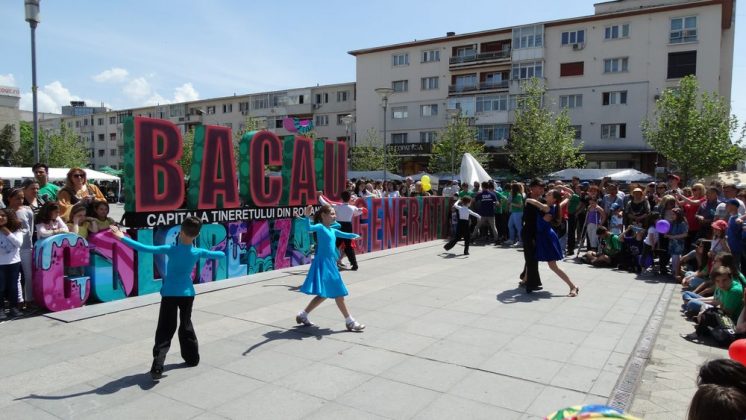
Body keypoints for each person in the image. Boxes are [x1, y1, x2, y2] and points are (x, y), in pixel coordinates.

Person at [111, 217, 226, 380]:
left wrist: (121, 237)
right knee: (186, 324)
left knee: (165, 327)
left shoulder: (171, 249)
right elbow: (221, 254)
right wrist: (203, 250)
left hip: (170, 293)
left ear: (181, 232)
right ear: (198, 234)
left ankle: (158, 365)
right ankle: (192, 358)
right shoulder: (197, 252)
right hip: (187, 294)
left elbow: (145, 248)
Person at [294, 204, 365, 331]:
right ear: (323, 215)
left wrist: (355, 236)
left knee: (324, 294)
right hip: (323, 264)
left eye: (334, 213)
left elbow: (345, 234)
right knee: (338, 292)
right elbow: (308, 228)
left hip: (331, 264)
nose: (334, 216)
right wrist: (306, 216)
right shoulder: (320, 227)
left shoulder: (332, 230)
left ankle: (303, 314)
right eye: (332, 213)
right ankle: (350, 321)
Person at [525, 189, 579, 296]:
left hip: (547, 238)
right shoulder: (556, 206)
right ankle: (525, 279)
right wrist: (567, 198)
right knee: (531, 259)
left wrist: (527, 199)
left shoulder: (547, 207)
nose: (546, 194)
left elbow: (535, 202)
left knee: (552, 266)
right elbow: (563, 203)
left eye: (549, 194)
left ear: (554, 199)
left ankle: (573, 286)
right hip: (543, 237)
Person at [319, 191, 363, 271]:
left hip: (338, 226)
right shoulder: (352, 207)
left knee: (334, 245)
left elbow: (325, 204)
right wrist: (362, 209)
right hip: (348, 226)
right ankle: (354, 265)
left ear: (341, 198)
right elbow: (359, 212)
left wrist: (319, 197)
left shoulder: (337, 207)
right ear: (349, 199)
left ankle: (330, 263)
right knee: (348, 246)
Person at [7, 188, 34, 306]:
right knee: (16, 276)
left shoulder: (27, 211)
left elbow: (30, 229)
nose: (20, 201)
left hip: (26, 247)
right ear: (9, 198)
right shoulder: (5, 213)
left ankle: (29, 299)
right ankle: (19, 300)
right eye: (17, 198)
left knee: (28, 274)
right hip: (11, 249)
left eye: (22, 198)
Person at [519, 178, 545, 293]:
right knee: (531, 257)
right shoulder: (528, 199)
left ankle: (525, 277)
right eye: (539, 188)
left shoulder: (542, 200)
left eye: (542, 188)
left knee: (531, 256)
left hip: (538, 232)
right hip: (528, 232)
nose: (541, 190)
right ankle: (532, 283)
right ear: (532, 188)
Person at [0, 208, 24, 319]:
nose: (0, 217)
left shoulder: (16, 229)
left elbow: (19, 243)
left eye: (3, 215)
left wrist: (7, 232)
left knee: (13, 286)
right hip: (1, 263)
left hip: (13, 262)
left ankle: (13, 307)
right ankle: (1, 309)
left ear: (9, 217)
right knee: (1, 287)